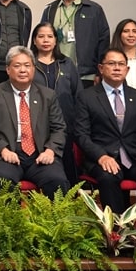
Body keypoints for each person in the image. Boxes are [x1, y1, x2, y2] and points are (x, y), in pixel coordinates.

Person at [74, 49, 136, 216]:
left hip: (135, 159)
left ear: (127, 69)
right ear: (101, 68)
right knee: (108, 177)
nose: (117, 68)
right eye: (111, 64)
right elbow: (81, 135)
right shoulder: (86, 96)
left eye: (121, 64)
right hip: (102, 159)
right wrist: (101, 156)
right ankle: (117, 231)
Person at [0, 45, 69, 197]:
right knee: (3, 181)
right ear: (8, 69)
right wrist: (3, 150)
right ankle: (11, 222)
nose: (23, 70)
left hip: (40, 154)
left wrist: (50, 150)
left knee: (57, 180)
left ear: (34, 69)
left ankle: (51, 222)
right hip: (6, 154)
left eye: (27, 65)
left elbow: (59, 128)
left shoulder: (48, 95)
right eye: (17, 66)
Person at [40, 0, 110, 89]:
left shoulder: (94, 10)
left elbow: (103, 42)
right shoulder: (50, 10)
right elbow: (39, 39)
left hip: (87, 75)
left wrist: (101, 72)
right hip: (56, 73)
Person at [30, 21, 82, 184]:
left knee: (67, 169)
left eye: (50, 36)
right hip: (35, 126)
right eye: (41, 36)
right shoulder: (28, 65)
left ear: (55, 41)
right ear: (34, 41)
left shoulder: (67, 64)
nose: (46, 40)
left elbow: (78, 95)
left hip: (65, 124)